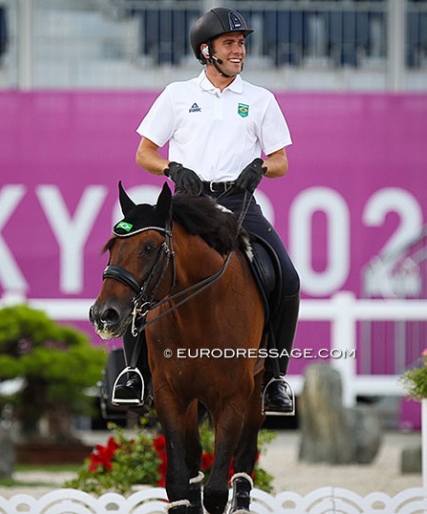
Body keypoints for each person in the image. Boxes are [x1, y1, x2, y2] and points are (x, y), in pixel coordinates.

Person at [113, 7, 300, 415]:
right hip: (187, 203)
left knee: (286, 276)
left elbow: (281, 162)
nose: (239, 51)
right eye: (230, 44)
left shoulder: (260, 100)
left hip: (238, 204)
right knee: (140, 270)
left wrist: (259, 168)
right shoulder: (177, 95)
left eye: (242, 44)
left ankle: (274, 377)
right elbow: (144, 153)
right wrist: (172, 168)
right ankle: (135, 371)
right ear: (206, 50)